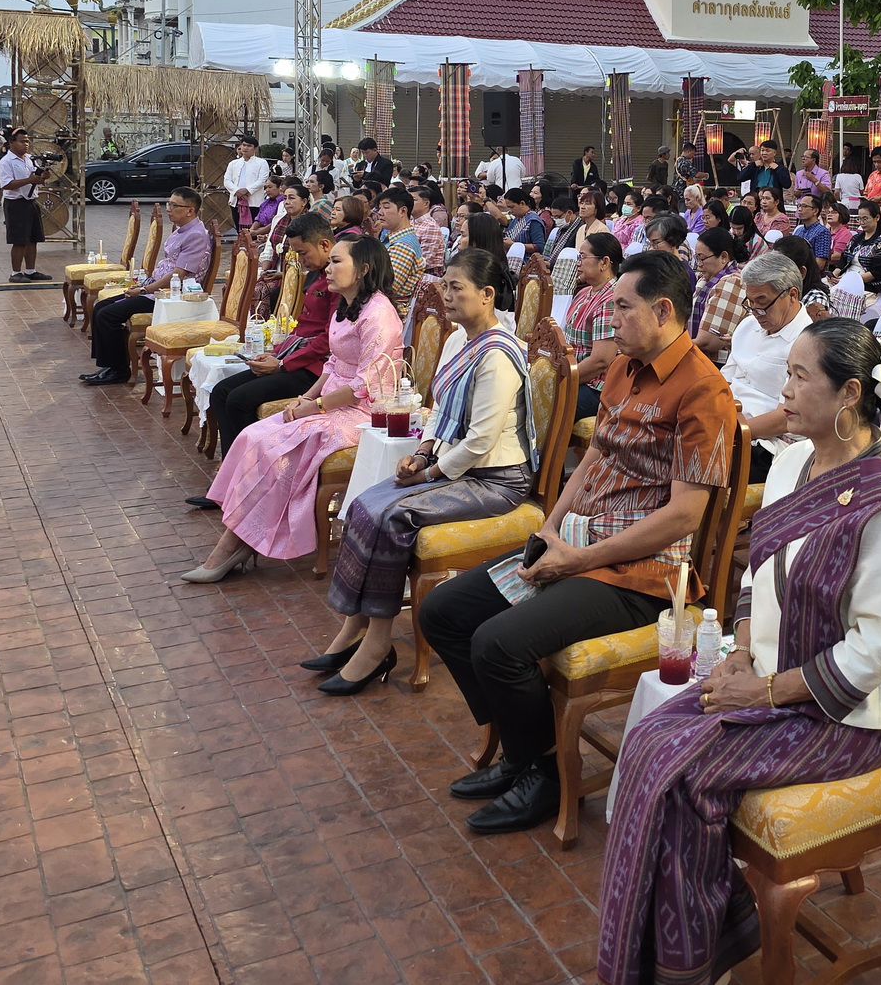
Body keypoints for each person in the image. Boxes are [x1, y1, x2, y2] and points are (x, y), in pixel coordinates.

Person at [596, 318, 881, 983]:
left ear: (850, 393)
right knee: (649, 740)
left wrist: (763, 691)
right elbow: (761, 570)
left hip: (848, 718)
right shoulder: (798, 459)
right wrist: (741, 649)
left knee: (681, 777)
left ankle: (689, 962)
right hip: (770, 681)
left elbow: (873, 652)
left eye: (799, 377)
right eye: (786, 373)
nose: (784, 390)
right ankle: (700, 940)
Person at [418, 251, 734, 834]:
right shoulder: (624, 365)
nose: (609, 318)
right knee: (442, 612)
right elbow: (594, 456)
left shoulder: (702, 390)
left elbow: (685, 517)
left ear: (663, 311)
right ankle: (520, 746)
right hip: (578, 542)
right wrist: (548, 527)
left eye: (621, 306)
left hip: (643, 574)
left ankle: (543, 773)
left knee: (497, 644)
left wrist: (577, 560)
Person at [310, 250, 541, 692]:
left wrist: (430, 475)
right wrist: (423, 451)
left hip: (497, 479)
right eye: (445, 284)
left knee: (393, 514)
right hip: (455, 465)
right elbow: (438, 410)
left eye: (457, 287)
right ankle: (353, 629)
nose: (446, 295)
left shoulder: (498, 355)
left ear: (488, 295)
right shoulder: (458, 340)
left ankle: (377, 644)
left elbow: (480, 440)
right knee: (364, 504)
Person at [183, 234, 406, 581]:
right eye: (329, 261)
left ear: (363, 269)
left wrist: (313, 406)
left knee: (279, 449)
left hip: (367, 412)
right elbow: (333, 364)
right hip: (331, 400)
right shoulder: (348, 306)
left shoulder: (379, 314)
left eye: (336, 262)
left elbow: (365, 385)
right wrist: (307, 400)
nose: (327, 269)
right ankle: (243, 535)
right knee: (253, 435)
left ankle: (234, 544)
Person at [192, 213, 338, 488]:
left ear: (325, 245)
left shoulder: (336, 280)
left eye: (303, 253)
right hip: (296, 357)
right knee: (222, 390)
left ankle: (249, 482)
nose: (300, 260)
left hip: (314, 369)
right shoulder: (317, 275)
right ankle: (231, 478)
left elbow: (329, 340)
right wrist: (276, 354)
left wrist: (283, 364)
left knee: (238, 399)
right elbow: (303, 328)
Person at [82, 187, 213, 385]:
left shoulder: (196, 235)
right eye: (169, 204)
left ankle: (118, 370)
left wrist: (144, 290)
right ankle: (109, 365)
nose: (169, 209)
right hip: (155, 288)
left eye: (174, 205)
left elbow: (178, 274)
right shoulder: (182, 230)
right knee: (101, 307)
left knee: (108, 315)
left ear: (190, 210)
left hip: (171, 295)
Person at [722, 252, 813, 478]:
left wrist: (732, 433)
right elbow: (724, 381)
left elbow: (787, 415)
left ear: (792, 295)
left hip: (764, 443)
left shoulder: (808, 343)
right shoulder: (747, 326)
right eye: (750, 303)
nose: (755, 312)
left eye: (762, 302)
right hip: (726, 422)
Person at [567, 232, 625, 420]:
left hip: (596, 386)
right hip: (574, 375)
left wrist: (563, 380)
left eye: (583, 257)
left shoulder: (611, 299)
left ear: (604, 262)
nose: (578, 263)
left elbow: (600, 361)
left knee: (547, 406)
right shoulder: (584, 293)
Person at [0, 128, 54, 281]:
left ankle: (30, 270)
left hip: (31, 201)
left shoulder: (29, 159)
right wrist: (29, 180)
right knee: (19, 240)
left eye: (27, 141)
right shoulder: (6, 162)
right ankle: (15, 273)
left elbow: (37, 179)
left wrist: (43, 177)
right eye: (22, 141)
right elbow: (6, 184)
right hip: (15, 203)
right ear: (11, 142)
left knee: (33, 238)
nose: (26, 145)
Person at [690, 226, 749, 361]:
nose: (698, 265)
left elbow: (708, 341)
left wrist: (670, 347)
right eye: (696, 258)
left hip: (718, 365)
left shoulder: (733, 283)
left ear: (723, 257)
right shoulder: (706, 280)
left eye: (702, 258)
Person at [374, 187, 425, 320]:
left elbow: (386, 287)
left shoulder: (403, 246)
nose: (380, 213)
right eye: (380, 208)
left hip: (390, 315)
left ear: (403, 211)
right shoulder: (394, 238)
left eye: (386, 207)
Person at [224, 135, 270, 232]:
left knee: (253, 231)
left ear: (255, 148)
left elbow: (262, 180)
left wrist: (247, 190)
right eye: (244, 145)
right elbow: (227, 180)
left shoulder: (262, 163)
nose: (245, 148)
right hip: (236, 201)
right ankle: (241, 247)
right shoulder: (233, 163)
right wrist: (237, 191)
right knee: (239, 230)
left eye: (249, 146)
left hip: (254, 202)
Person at [411, 189, 447, 275]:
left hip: (427, 275)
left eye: (414, 199)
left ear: (426, 203)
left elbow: (425, 261)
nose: (409, 203)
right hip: (412, 270)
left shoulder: (430, 227)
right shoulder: (411, 221)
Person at [792, 191, 832, 265]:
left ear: (815, 211)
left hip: (811, 274)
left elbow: (820, 264)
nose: (800, 209)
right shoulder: (799, 230)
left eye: (804, 206)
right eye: (799, 206)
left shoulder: (822, 232)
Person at [833, 144, 866, 211]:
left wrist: (838, 199)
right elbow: (862, 191)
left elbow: (836, 192)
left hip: (844, 201)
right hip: (856, 202)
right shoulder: (858, 176)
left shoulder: (839, 176)